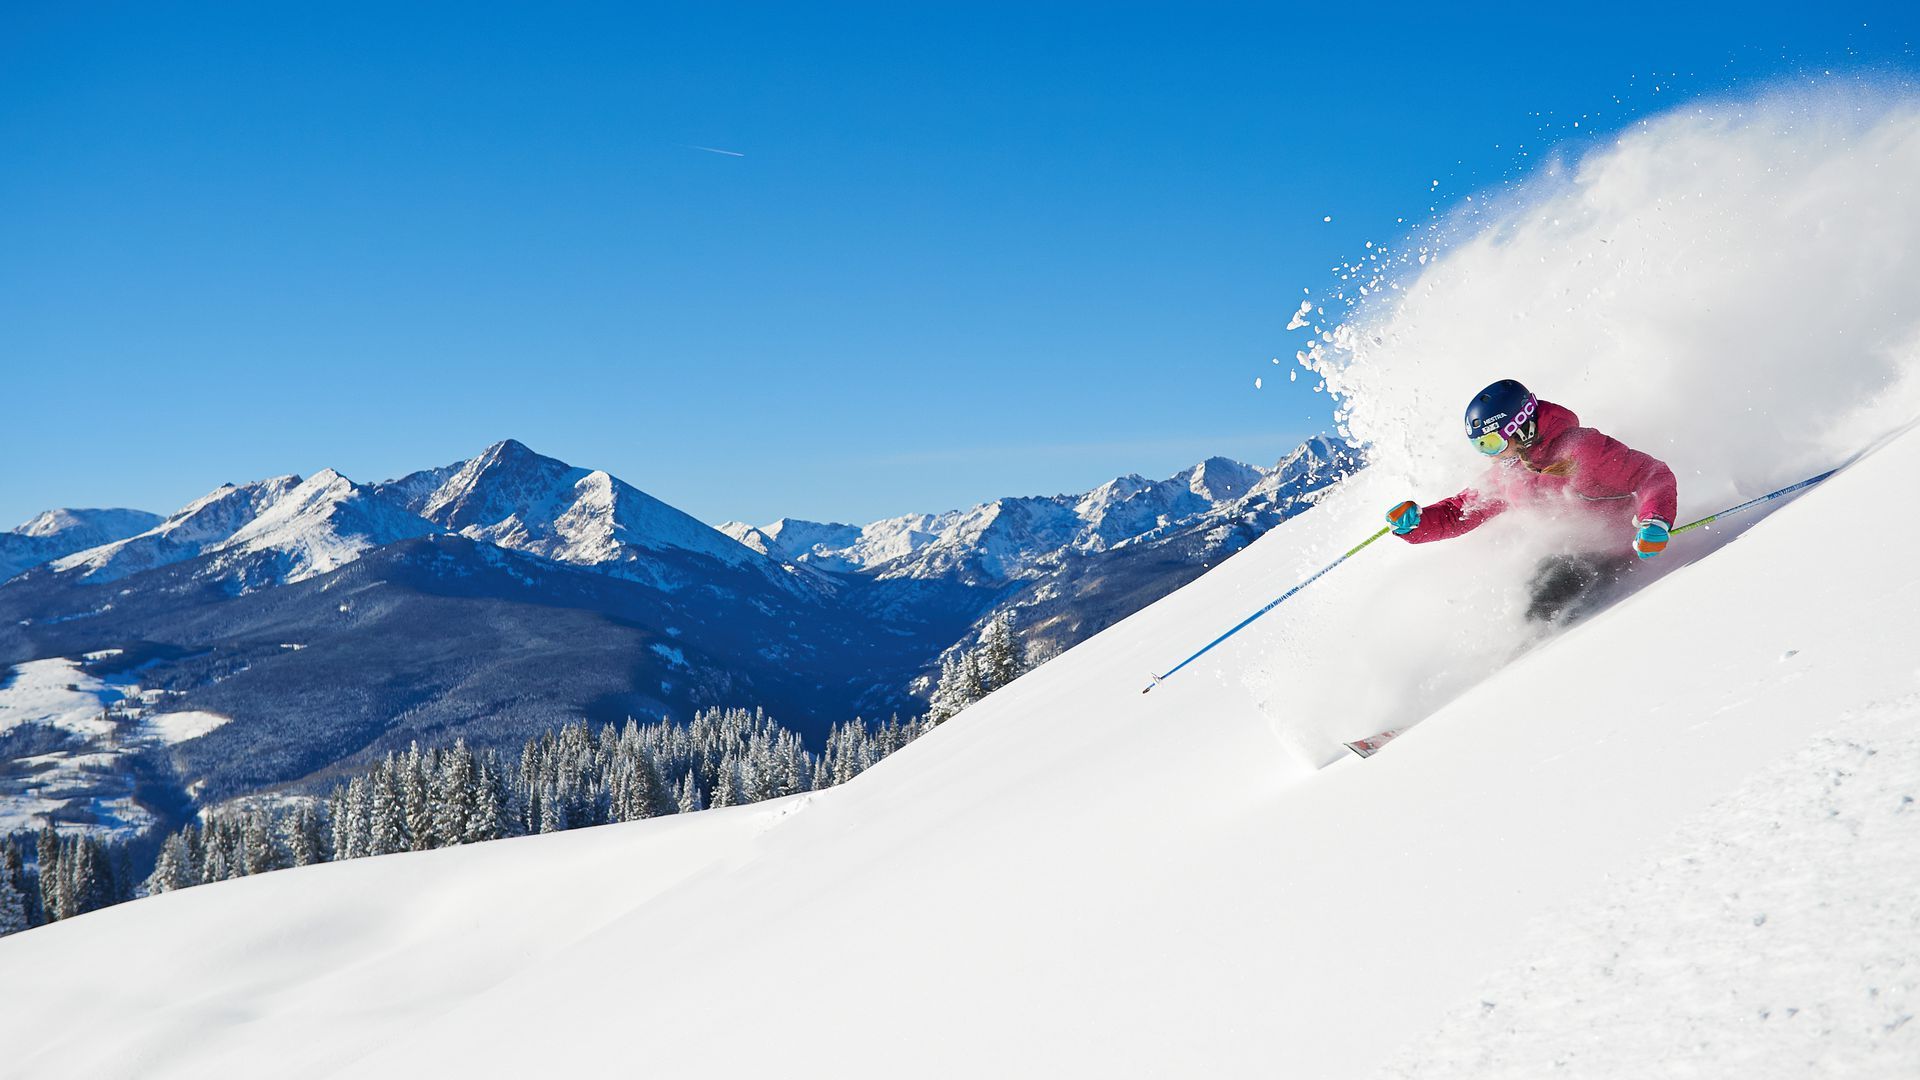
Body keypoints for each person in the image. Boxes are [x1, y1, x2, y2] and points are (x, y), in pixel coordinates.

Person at [1384, 379, 1679, 622]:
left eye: (1492, 443)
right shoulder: (1507, 475)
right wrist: (1416, 524)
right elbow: (1458, 511)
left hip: (1626, 552)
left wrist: (1655, 520)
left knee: (1548, 592)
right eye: (1480, 447)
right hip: (1570, 557)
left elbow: (1651, 475)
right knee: (1530, 591)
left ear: (1520, 427)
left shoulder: (1581, 449)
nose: (1491, 454)